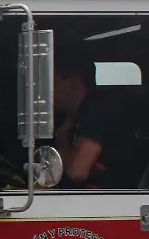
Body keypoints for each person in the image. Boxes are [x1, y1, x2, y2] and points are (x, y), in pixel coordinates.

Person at [51, 47, 141, 189]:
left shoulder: (96, 109)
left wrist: (61, 137)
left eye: (52, 83)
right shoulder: (78, 113)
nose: (47, 92)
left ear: (73, 81)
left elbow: (77, 172)